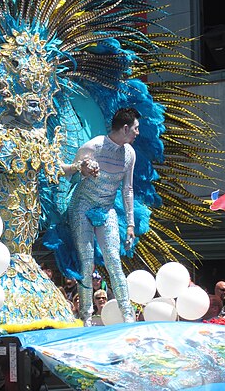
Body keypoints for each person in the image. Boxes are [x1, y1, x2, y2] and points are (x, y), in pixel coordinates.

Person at [67, 107, 140, 326]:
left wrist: (130, 225)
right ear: (125, 128)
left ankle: (128, 314)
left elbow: (127, 189)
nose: (137, 133)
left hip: (107, 208)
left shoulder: (130, 154)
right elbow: (66, 173)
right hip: (82, 205)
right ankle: (86, 316)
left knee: (113, 259)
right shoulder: (93, 146)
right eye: (135, 129)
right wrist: (81, 168)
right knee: (86, 260)